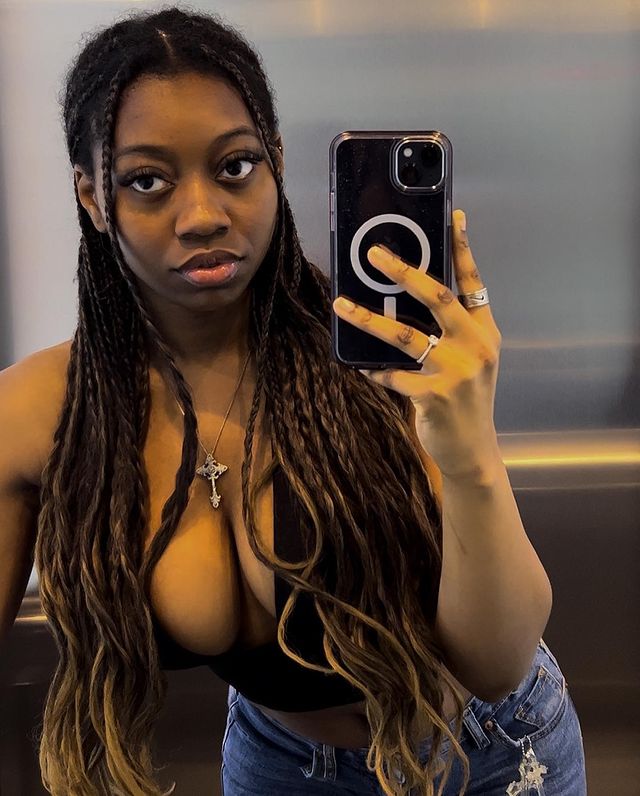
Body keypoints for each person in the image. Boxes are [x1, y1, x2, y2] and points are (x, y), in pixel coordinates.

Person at [0, 7, 587, 796]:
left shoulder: (378, 357)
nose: (203, 215)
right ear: (93, 197)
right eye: (147, 181)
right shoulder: (42, 413)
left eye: (235, 166)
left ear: (274, 161)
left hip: (486, 750)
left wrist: (472, 451)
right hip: (279, 765)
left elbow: (496, 662)